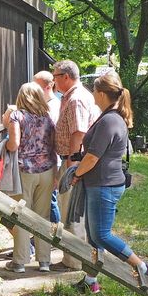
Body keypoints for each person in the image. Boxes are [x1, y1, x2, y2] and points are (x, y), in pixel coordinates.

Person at [70, 71, 148, 293]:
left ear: (100, 93)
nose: (93, 96)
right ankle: (91, 281)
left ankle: (144, 267)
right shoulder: (110, 116)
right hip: (101, 183)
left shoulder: (110, 120)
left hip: (104, 185)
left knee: (101, 234)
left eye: (94, 92)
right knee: (94, 235)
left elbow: (92, 157)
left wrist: (76, 173)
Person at [2, 82, 58, 273]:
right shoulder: (47, 118)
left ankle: (20, 262)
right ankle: (44, 262)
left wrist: (5, 145)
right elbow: (53, 144)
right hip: (47, 170)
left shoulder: (17, 115)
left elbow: (14, 144)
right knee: (43, 215)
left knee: (22, 214)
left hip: (24, 170)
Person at [52, 60, 100, 270]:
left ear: (66, 77)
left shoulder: (76, 100)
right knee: (71, 211)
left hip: (73, 162)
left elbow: (78, 134)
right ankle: (75, 258)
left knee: (71, 212)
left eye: (55, 76)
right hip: (72, 161)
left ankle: (74, 261)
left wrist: (72, 168)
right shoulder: (71, 97)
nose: (53, 80)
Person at [34, 70, 62, 223]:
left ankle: (54, 235)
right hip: (44, 160)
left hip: (51, 160)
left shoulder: (53, 108)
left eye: (36, 86)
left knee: (49, 200)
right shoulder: (46, 106)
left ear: (48, 86)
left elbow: (50, 137)